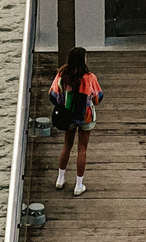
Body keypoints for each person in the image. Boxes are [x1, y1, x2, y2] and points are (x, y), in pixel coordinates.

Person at [49, 46, 103, 196]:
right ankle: (78, 185)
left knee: (67, 145)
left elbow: (52, 96)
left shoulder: (62, 75)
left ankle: (60, 178)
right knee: (82, 149)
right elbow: (99, 97)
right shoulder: (90, 77)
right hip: (85, 116)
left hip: (68, 115)